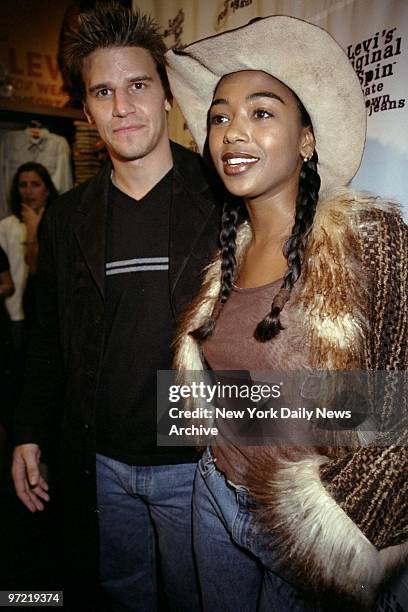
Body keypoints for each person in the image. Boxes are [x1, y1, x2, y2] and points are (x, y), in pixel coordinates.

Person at [166, 15, 408, 612]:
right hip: (214, 497)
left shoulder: (372, 241)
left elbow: (398, 412)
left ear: (306, 139)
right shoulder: (221, 260)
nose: (232, 132)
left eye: (261, 112)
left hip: (307, 532)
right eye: (220, 116)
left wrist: (343, 525)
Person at [11, 4, 221, 611]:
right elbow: (49, 337)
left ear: (165, 97)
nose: (122, 106)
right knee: (120, 597)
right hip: (99, 463)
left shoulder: (222, 194)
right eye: (104, 91)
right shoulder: (68, 217)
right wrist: (27, 432)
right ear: (87, 109)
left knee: (197, 600)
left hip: (195, 460)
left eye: (137, 86)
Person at [0, 162, 58, 356]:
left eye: (35, 184)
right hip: (13, 310)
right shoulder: (6, 226)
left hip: (46, 311)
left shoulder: (57, 222)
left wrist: (33, 230)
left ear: (47, 189)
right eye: (23, 185)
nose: (28, 191)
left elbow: (37, 269)